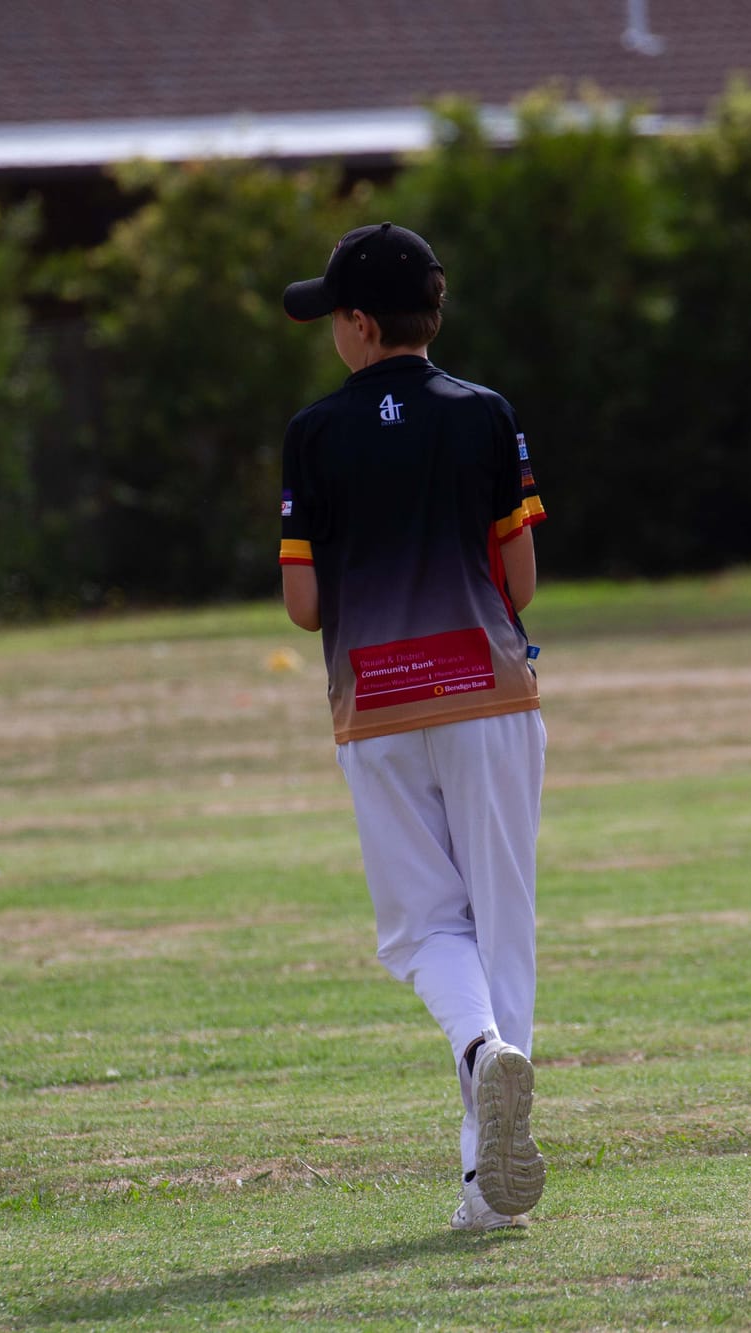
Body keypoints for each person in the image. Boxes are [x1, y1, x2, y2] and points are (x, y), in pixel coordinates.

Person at [278, 224, 548, 1232]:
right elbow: (518, 578)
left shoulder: (314, 432)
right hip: (488, 693)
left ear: (357, 324)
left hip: (377, 703)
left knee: (423, 930)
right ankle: (488, 1191)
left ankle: (480, 1051)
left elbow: (303, 603)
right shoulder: (486, 415)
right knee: (501, 926)